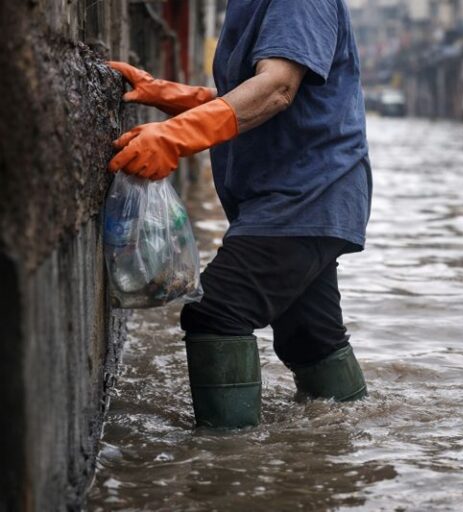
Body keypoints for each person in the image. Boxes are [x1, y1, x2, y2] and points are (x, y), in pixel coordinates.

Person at [107, 0, 371, 428]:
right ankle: (344, 446)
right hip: (295, 195)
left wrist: (175, 138)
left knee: (217, 314)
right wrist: (172, 96)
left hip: (304, 195)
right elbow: (252, 94)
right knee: (309, 339)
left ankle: (228, 462)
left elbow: (277, 89)